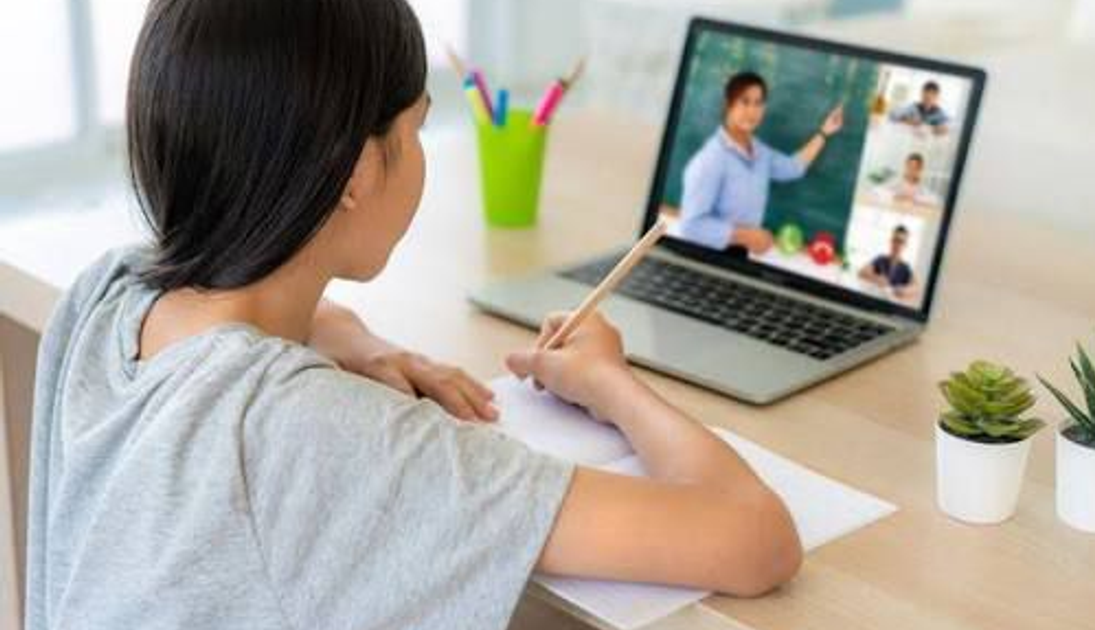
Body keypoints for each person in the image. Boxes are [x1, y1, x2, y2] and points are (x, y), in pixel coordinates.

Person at [24, 2, 802, 629]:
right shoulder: (323, 436)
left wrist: (356, 341)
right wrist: (609, 384)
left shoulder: (112, 293)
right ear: (359, 171)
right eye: (418, 126)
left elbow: (255, 323)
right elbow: (754, 537)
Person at [678, 71, 844, 255]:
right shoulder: (711, 159)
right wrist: (745, 236)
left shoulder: (760, 153)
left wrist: (824, 132)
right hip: (705, 257)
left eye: (758, 103)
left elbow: (793, 168)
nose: (752, 111)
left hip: (739, 254)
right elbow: (690, 226)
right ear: (728, 104)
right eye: (745, 101)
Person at [859, 225, 918, 300]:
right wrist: (876, 278)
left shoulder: (905, 268)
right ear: (890, 241)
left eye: (901, 242)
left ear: (905, 245)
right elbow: (861, 272)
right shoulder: (880, 259)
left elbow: (916, 288)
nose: (897, 245)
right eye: (895, 240)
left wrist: (904, 290)